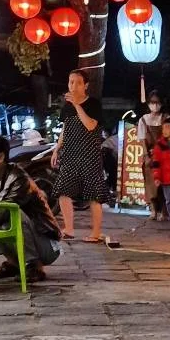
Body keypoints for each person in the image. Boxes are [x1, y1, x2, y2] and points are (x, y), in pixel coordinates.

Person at [0, 132, 60, 281]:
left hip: (45, 244)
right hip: (22, 234)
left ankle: (33, 265)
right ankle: (14, 262)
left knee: (11, 213)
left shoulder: (17, 178)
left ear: (0, 157)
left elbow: (0, 214)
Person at [52, 70, 105, 241]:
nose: (73, 86)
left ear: (85, 85)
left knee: (93, 194)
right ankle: (69, 229)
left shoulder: (93, 104)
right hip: (70, 154)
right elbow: (65, 129)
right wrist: (56, 148)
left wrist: (77, 105)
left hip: (89, 155)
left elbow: (90, 125)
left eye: (77, 82)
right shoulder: (66, 106)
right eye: (70, 82)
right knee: (63, 190)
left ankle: (95, 233)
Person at [137, 91, 166, 220]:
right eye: (152, 102)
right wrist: (146, 155)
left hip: (164, 155)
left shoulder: (166, 118)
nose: (155, 105)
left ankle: (164, 211)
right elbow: (142, 139)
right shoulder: (143, 119)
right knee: (150, 183)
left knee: (164, 183)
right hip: (150, 155)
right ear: (148, 103)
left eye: (157, 102)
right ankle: (153, 210)